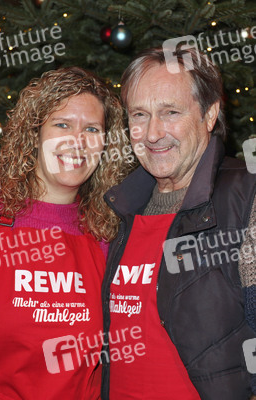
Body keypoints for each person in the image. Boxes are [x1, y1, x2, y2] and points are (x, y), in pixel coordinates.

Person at [101, 47, 256, 400]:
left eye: (170, 112)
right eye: (139, 115)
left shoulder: (247, 198)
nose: (153, 133)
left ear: (210, 113)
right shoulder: (119, 210)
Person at [0, 66, 132, 399]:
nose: (77, 141)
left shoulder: (111, 233)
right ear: (34, 133)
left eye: (92, 128)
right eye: (62, 124)